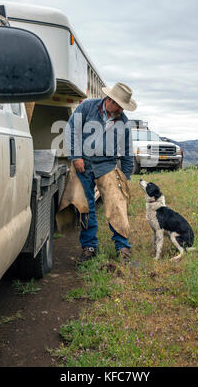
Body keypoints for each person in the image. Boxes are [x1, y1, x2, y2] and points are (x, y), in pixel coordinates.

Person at [65, 82, 137, 263]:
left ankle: (123, 248)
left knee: (117, 205)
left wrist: (125, 176)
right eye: (119, 106)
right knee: (85, 207)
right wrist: (76, 156)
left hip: (107, 165)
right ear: (110, 100)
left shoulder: (123, 121)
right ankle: (89, 247)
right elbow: (72, 130)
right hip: (84, 164)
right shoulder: (88, 107)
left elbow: (127, 150)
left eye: (123, 107)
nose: (121, 110)